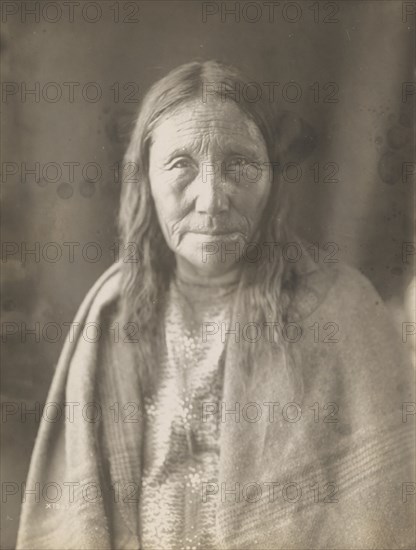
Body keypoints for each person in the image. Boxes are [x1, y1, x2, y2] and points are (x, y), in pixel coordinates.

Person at [17, 60, 415, 550]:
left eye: (239, 166)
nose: (211, 199)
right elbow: (75, 517)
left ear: (273, 179)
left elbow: (387, 512)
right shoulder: (111, 312)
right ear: (144, 180)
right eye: (181, 165)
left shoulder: (342, 309)